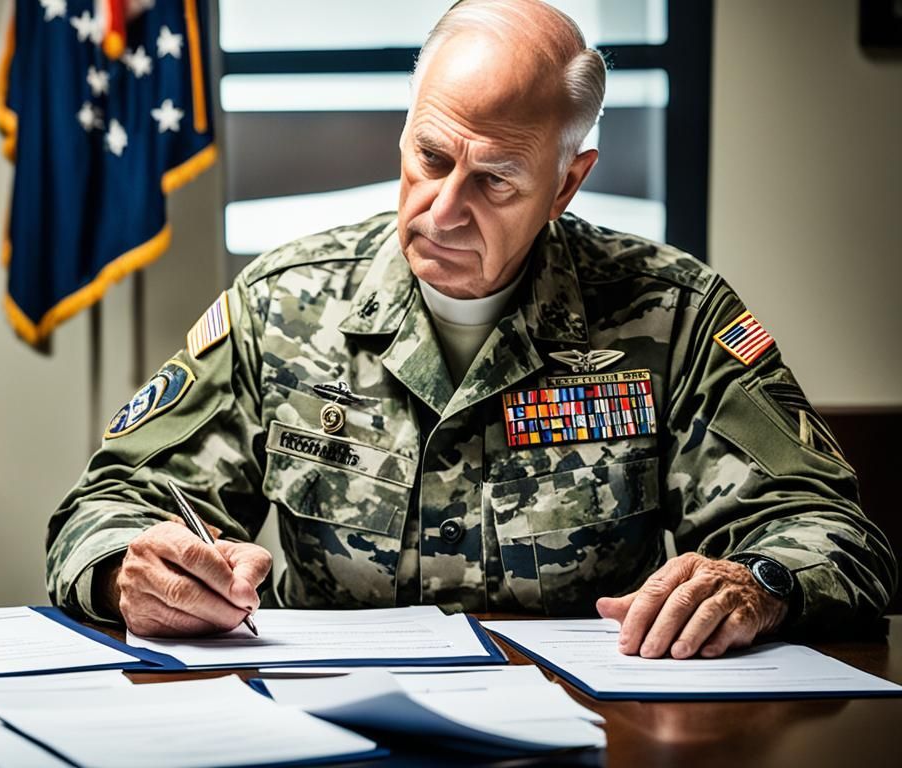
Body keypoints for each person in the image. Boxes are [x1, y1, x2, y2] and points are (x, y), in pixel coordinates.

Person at [45, 0, 895, 660]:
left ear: (567, 182)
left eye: (494, 179)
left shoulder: (671, 314)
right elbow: (108, 504)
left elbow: (831, 530)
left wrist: (760, 581)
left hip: (596, 726)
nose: (444, 211)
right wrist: (132, 565)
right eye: (431, 157)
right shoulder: (283, 305)